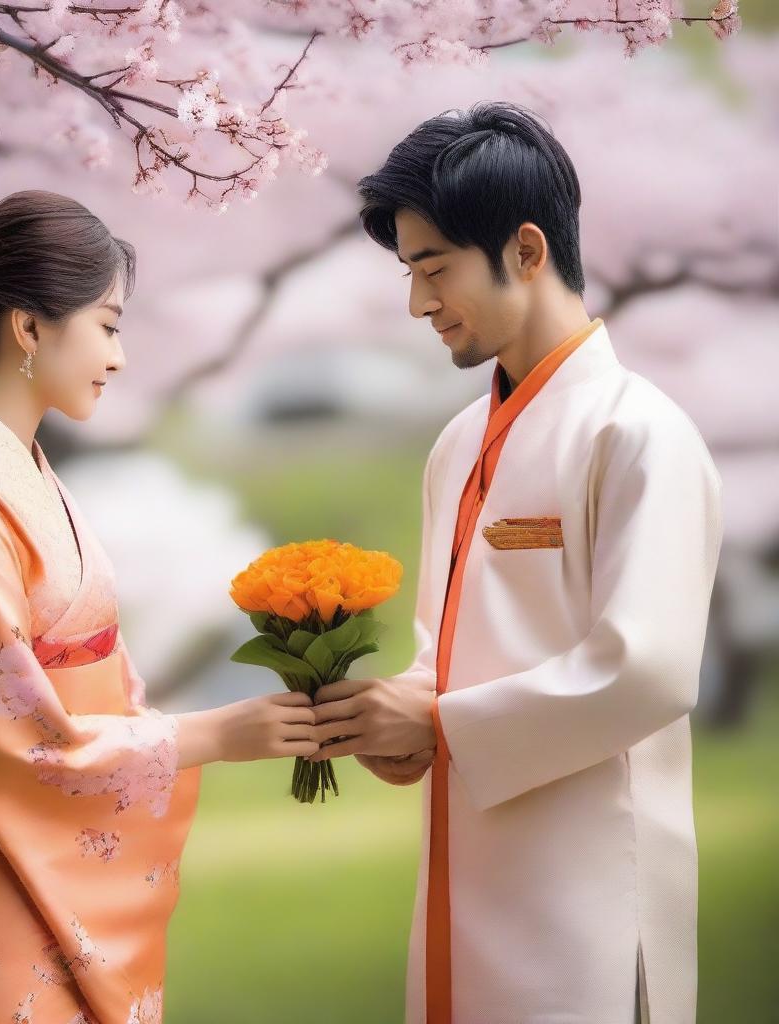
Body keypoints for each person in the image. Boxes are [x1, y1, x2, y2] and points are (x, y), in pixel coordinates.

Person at [307, 102, 723, 1024]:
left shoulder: (639, 433)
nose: (418, 302)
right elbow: (444, 650)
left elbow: (646, 669)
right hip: (468, 858)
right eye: (411, 272)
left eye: (434, 268)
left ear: (526, 252)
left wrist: (442, 725)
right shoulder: (458, 443)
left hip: (589, 884)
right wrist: (399, 718)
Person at [0, 189, 318, 1024]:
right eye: (109, 324)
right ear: (29, 327)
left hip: (51, 852)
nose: (118, 356)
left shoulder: (20, 472)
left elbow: (96, 677)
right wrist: (216, 735)